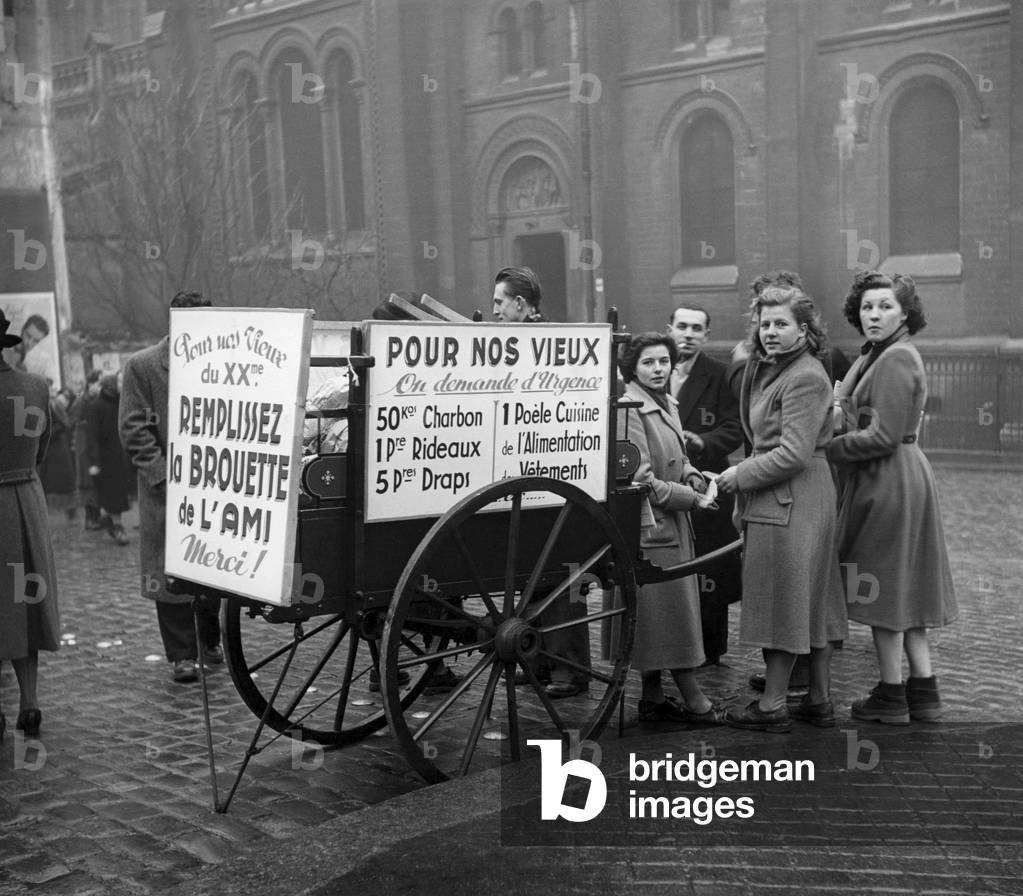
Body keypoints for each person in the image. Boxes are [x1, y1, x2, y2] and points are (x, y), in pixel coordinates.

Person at [829, 271, 958, 724]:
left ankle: (890, 694)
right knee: (903, 585)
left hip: (888, 478)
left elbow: (881, 436)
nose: (874, 315)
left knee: (883, 587)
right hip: (896, 475)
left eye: (885, 306)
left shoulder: (896, 358)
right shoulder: (879, 353)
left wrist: (829, 446)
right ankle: (923, 691)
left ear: (905, 312)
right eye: (867, 307)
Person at [716, 286, 846, 732]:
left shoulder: (805, 376)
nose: (770, 332)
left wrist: (740, 476)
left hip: (792, 495)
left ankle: (772, 706)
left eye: (780, 324)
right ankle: (818, 699)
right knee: (812, 597)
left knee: (785, 599)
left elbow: (792, 453)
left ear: (804, 330)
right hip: (790, 494)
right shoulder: (777, 370)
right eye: (764, 324)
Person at [493, 266, 592, 699]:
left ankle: (569, 670)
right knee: (530, 573)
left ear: (521, 305)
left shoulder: (553, 343)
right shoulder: (505, 346)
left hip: (556, 470)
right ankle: (538, 663)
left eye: (500, 303)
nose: (495, 311)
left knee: (560, 574)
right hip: (522, 470)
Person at [617, 332, 721, 724]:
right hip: (650, 528)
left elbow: (676, 457)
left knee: (659, 616)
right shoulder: (629, 408)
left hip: (670, 524)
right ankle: (696, 700)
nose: (658, 369)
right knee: (669, 616)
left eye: (663, 361)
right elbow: (640, 480)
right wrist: (691, 499)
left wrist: (693, 475)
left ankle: (653, 696)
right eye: (648, 363)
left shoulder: (664, 402)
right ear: (633, 367)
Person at [120, 291, 223, 683]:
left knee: (215, 568)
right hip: (167, 491)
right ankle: (181, 654)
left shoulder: (222, 364)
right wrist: (163, 476)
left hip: (213, 488)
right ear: (175, 324)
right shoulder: (143, 367)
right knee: (171, 573)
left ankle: (210, 642)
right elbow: (133, 427)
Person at [667, 304, 743, 665]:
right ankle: (672, 642)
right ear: (669, 328)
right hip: (665, 486)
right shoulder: (653, 368)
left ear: (707, 336)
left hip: (708, 484)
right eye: (682, 326)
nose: (688, 334)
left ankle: (710, 649)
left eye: (697, 329)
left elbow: (735, 427)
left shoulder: (719, 374)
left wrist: (704, 442)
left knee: (709, 565)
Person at [0, 309, 59, 739]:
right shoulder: (36, 388)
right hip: (24, 501)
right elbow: (42, 450)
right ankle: (30, 701)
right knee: (27, 605)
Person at [86, 372, 133, 545]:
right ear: (111, 385)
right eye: (119, 381)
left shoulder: (124, 402)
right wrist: (95, 461)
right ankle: (118, 527)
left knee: (119, 494)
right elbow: (92, 436)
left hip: (122, 456)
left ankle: (110, 520)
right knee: (112, 495)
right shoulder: (96, 406)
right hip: (105, 459)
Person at [40, 386, 77, 519]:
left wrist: (48, 432)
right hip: (49, 446)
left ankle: (70, 508)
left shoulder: (54, 404)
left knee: (64, 480)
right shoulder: (45, 404)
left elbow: (64, 423)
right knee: (47, 478)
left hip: (57, 446)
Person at [73, 371, 104, 529]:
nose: (100, 386)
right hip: (84, 446)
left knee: (96, 482)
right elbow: (75, 421)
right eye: (98, 383)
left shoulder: (94, 399)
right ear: (91, 384)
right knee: (88, 483)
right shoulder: (82, 401)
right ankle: (90, 518)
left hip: (92, 444)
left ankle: (96, 517)